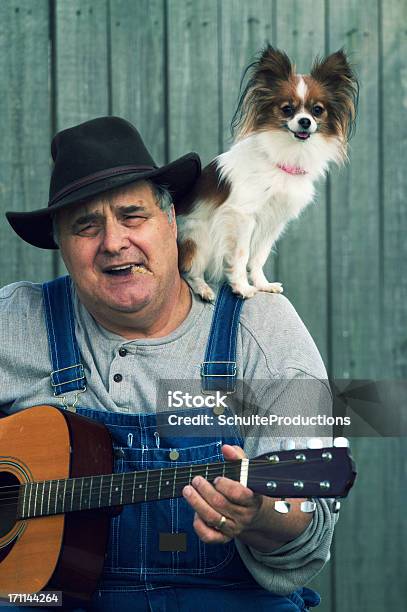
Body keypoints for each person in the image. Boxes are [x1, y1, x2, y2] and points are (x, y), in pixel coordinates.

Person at [0, 116, 337, 611]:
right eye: (86, 226)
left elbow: (314, 514)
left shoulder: (264, 325)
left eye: (132, 216)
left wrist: (262, 512)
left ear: (172, 221)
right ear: (63, 247)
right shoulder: (14, 317)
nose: (113, 242)